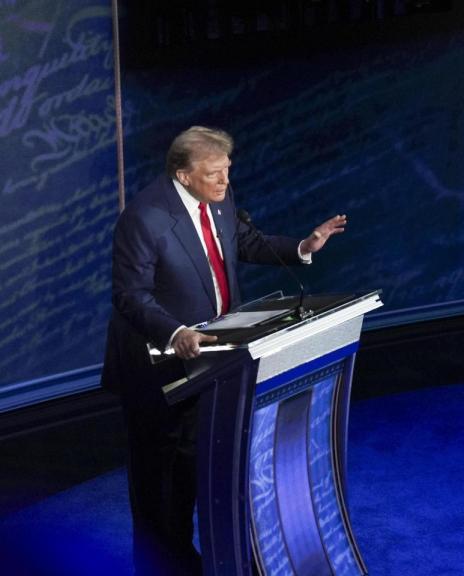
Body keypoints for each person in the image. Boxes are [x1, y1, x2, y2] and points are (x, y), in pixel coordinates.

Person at [100, 126, 346, 574]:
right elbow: (130, 295)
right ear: (183, 174)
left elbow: (244, 242)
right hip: (159, 370)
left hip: (215, 361)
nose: (224, 182)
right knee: (160, 485)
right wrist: (175, 332)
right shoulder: (145, 217)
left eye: (227, 172)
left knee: (196, 471)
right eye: (214, 174)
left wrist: (302, 247)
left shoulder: (219, 198)